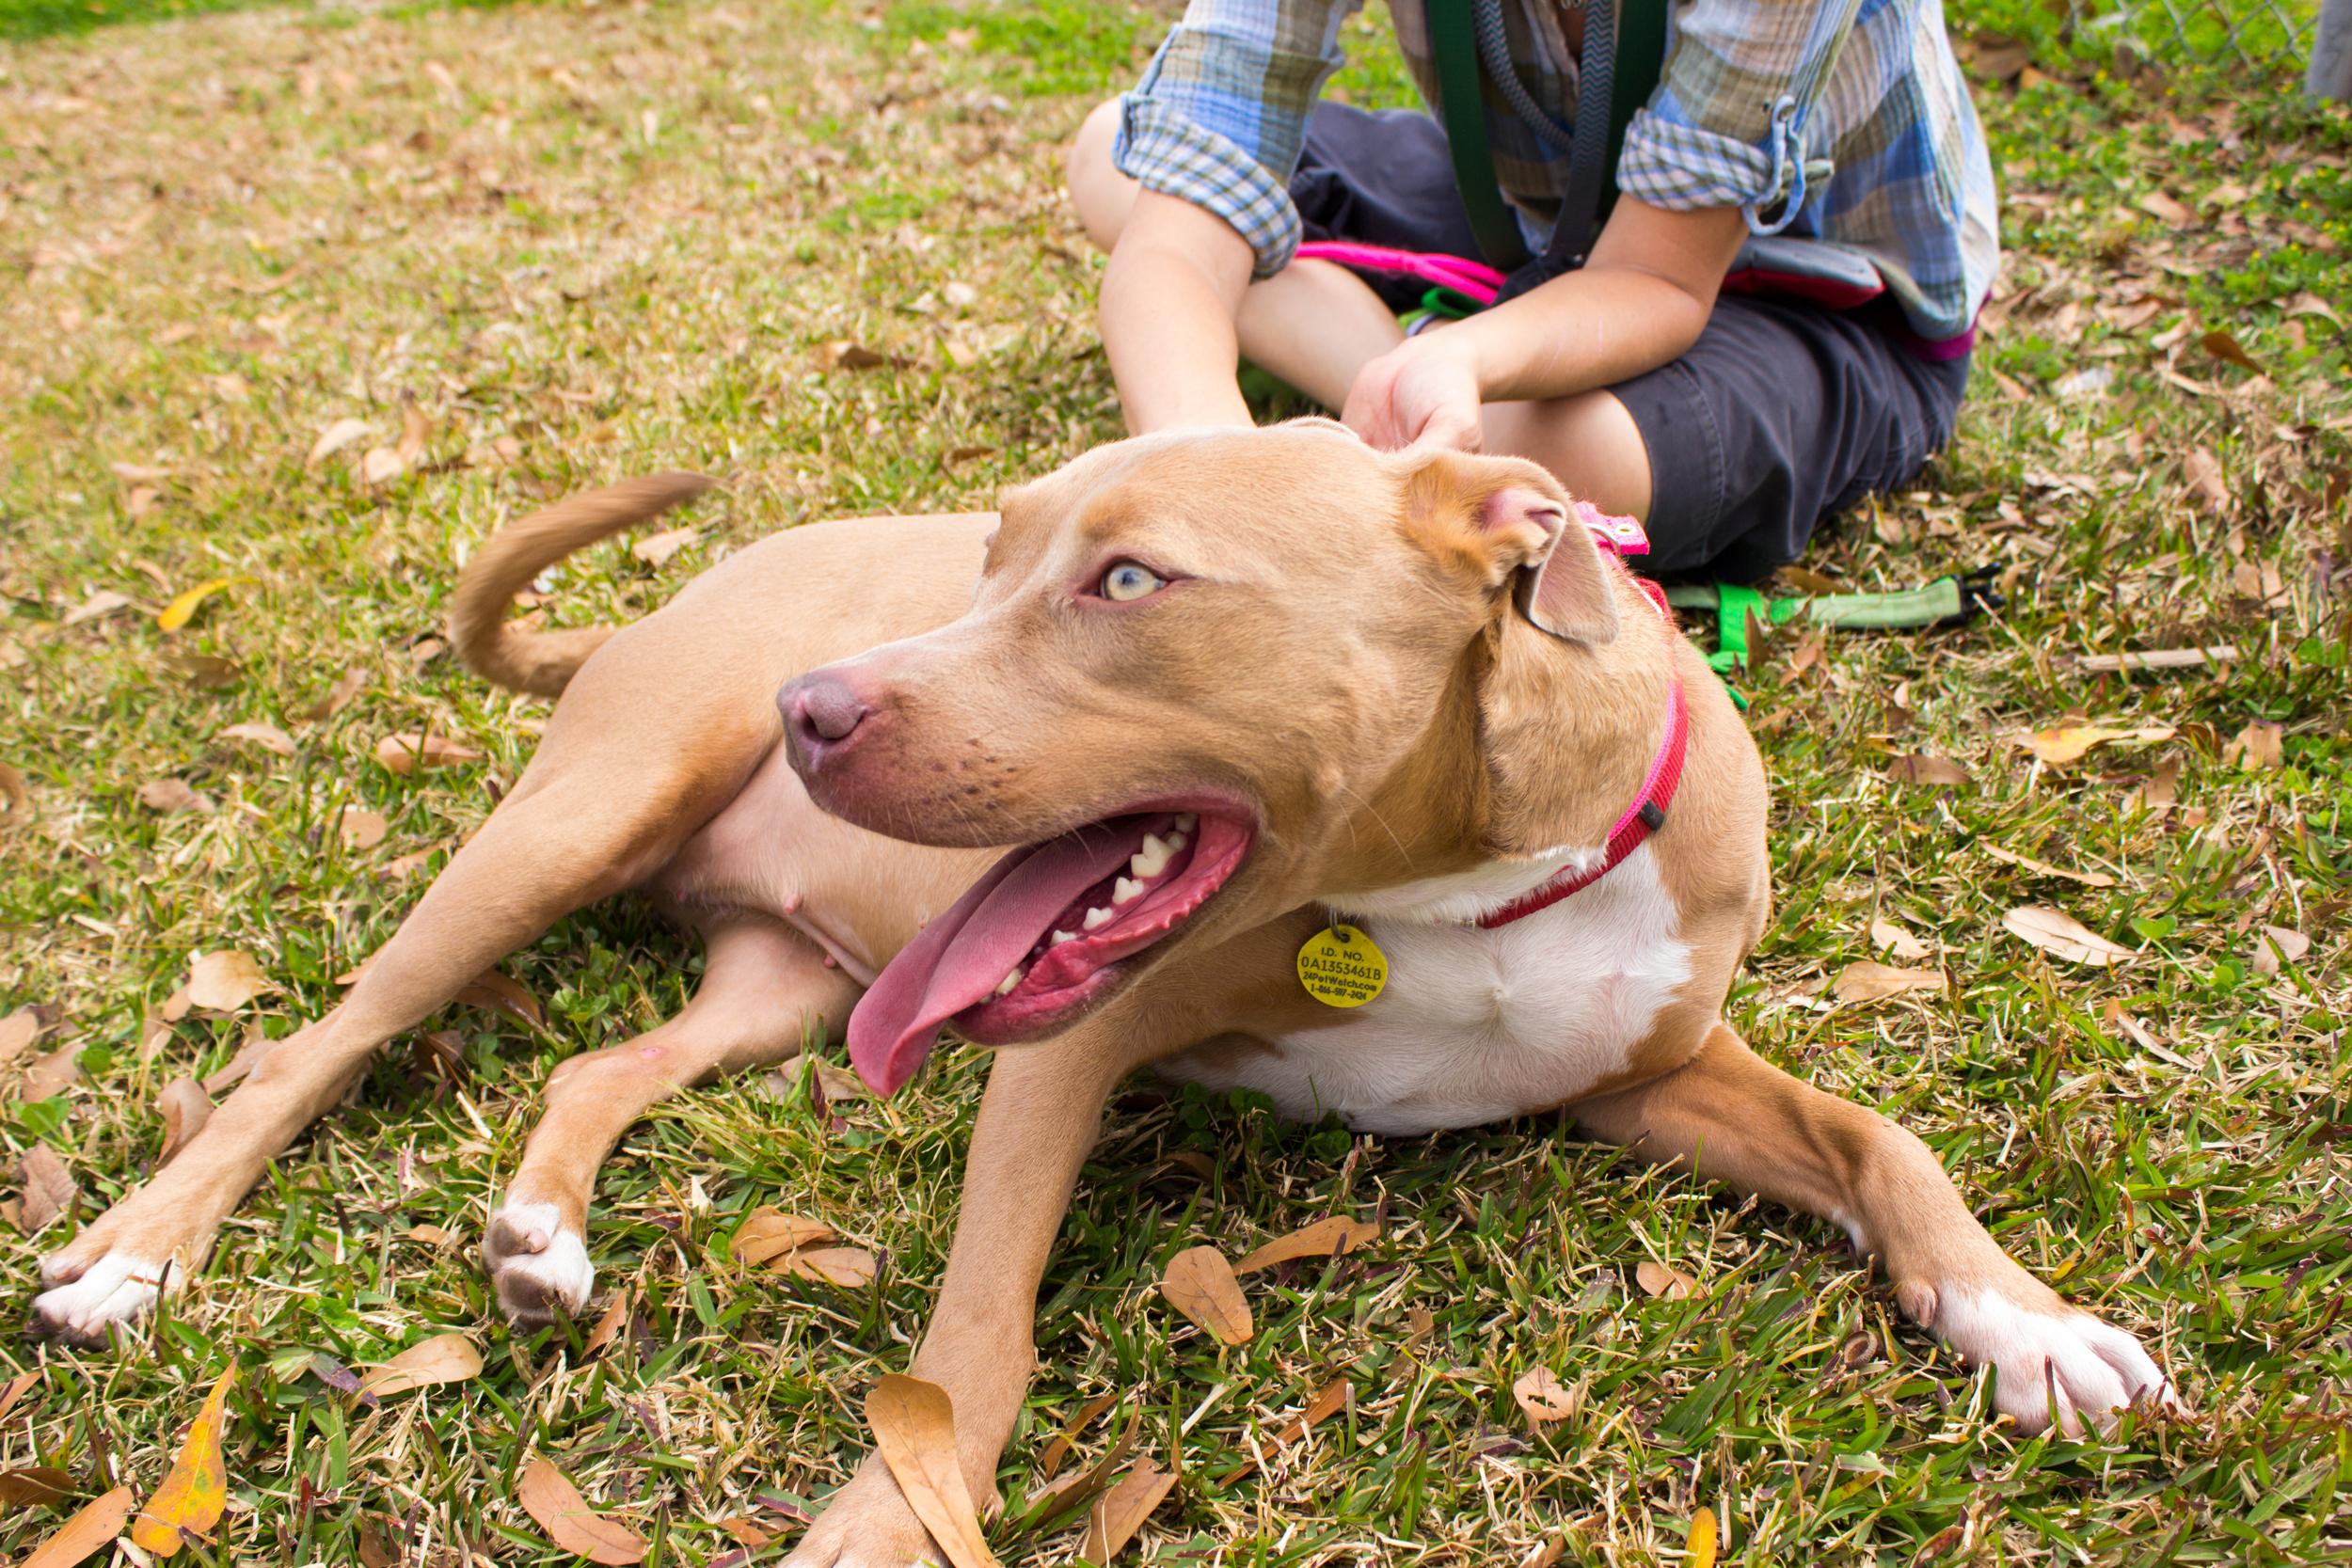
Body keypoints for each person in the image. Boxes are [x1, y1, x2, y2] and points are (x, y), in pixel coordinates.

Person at [1066, 0, 1998, 579]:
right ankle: (1410, 391)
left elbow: (1654, 276)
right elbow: (1180, 226)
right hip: (1545, 218)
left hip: (1814, 297)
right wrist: (1215, 480)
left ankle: (1420, 379)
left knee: (1563, 465)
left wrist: (1470, 351)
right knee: (1119, 149)